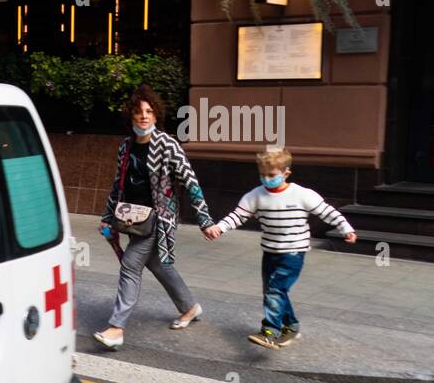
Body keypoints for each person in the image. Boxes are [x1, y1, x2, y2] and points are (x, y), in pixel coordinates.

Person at [93, 85, 220, 350]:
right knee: (159, 264)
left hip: (159, 220)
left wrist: (205, 220)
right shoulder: (126, 147)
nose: (144, 116)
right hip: (132, 219)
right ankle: (189, 307)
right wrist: (107, 217)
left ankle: (116, 328)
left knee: (130, 264)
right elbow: (118, 184)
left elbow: (190, 181)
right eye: (138, 112)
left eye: (149, 111)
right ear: (131, 116)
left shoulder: (167, 145)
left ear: (156, 115)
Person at [208, 148, 357, 349]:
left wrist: (346, 229)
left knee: (275, 289)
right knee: (272, 290)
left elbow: (328, 212)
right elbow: (238, 215)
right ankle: (292, 326)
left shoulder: (302, 194)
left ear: (286, 173)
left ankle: (270, 331)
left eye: (271, 175)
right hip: (270, 251)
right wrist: (220, 228)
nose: (266, 179)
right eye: (262, 174)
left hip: (293, 251)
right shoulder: (256, 195)